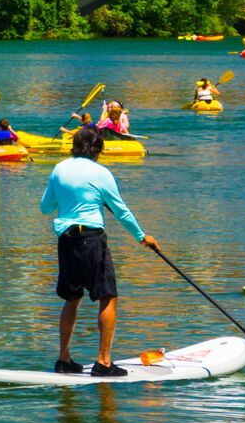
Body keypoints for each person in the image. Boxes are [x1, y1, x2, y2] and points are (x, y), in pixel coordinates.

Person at [39, 126, 159, 376]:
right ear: (98, 148)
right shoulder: (101, 173)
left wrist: (69, 199)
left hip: (66, 240)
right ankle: (104, 362)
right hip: (92, 240)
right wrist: (142, 237)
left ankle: (63, 360)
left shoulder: (59, 168)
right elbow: (121, 211)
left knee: (71, 298)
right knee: (107, 296)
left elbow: (45, 207)